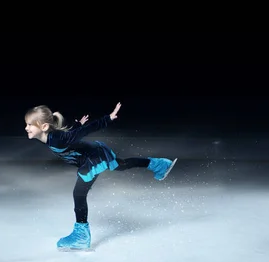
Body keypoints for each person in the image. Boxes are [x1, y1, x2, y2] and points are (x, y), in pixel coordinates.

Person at [24, 102, 177, 251]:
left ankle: (81, 235)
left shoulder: (56, 139)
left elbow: (81, 133)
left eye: (30, 125)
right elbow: (70, 135)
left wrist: (107, 118)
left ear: (44, 127)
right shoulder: (51, 137)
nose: (26, 128)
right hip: (91, 155)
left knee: (79, 193)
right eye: (27, 124)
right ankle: (160, 165)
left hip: (92, 158)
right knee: (120, 165)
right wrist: (78, 124)